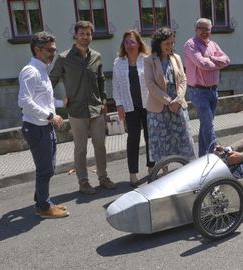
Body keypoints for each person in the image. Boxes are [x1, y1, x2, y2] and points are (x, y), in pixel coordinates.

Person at [50, 21, 115, 194]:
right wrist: (56, 101)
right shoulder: (64, 58)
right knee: (81, 149)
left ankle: (103, 177)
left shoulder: (97, 56)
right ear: (76, 35)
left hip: (96, 109)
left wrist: (103, 101)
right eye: (82, 34)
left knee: (100, 145)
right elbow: (50, 81)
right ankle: (83, 182)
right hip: (76, 111)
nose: (85, 37)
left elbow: (101, 80)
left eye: (88, 34)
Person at [18, 31, 69, 218]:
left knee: (48, 168)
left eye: (54, 49)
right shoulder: (30, 72)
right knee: (45, 169)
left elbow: (42, 100)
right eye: (49, 50)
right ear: (37, 50)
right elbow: (24, 101)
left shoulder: (42, 70)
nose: (53, 53)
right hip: (36, 127)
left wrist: (60, 104)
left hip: (43, 126)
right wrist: (50, 116)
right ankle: (43, 207)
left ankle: (42, 200)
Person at [144, 27, 196, 169]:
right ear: (159, 43)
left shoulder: (176, 57)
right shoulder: (149, 60)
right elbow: (150, 84)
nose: (170, 46)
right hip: (159, 109)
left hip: (177, 106)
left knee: (183, 140)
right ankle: (163, 175)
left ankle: (186, 172)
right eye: (167, 43)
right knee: (162, 144)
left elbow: (183, 80)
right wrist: (169, 101)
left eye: (172, 43)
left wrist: (178, 99)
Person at [112, 30, 154, 186]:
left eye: (132, 41)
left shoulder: (147, 59)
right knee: (133, 140)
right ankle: (133, 174)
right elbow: (116, 85)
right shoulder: (118, 62)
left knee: (151, 137)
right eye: (126, 42)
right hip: (130, 107)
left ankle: (151, 167)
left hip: (148, 104)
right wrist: (119, 104)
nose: (129, 45)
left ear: (138, 43)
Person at [184, 18, 230, 157]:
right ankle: (216, 155)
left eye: (207, 29)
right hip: (198, 91)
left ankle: (203, 157)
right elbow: (202, 63)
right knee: (209, 125)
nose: (205, 31)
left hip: (213, 91)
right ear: (196, 29)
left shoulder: (213, 45)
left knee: (205, 125)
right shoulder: (190, 44)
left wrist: (211, 59)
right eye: (201, 28)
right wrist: (216, 61)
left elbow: (227, 60)